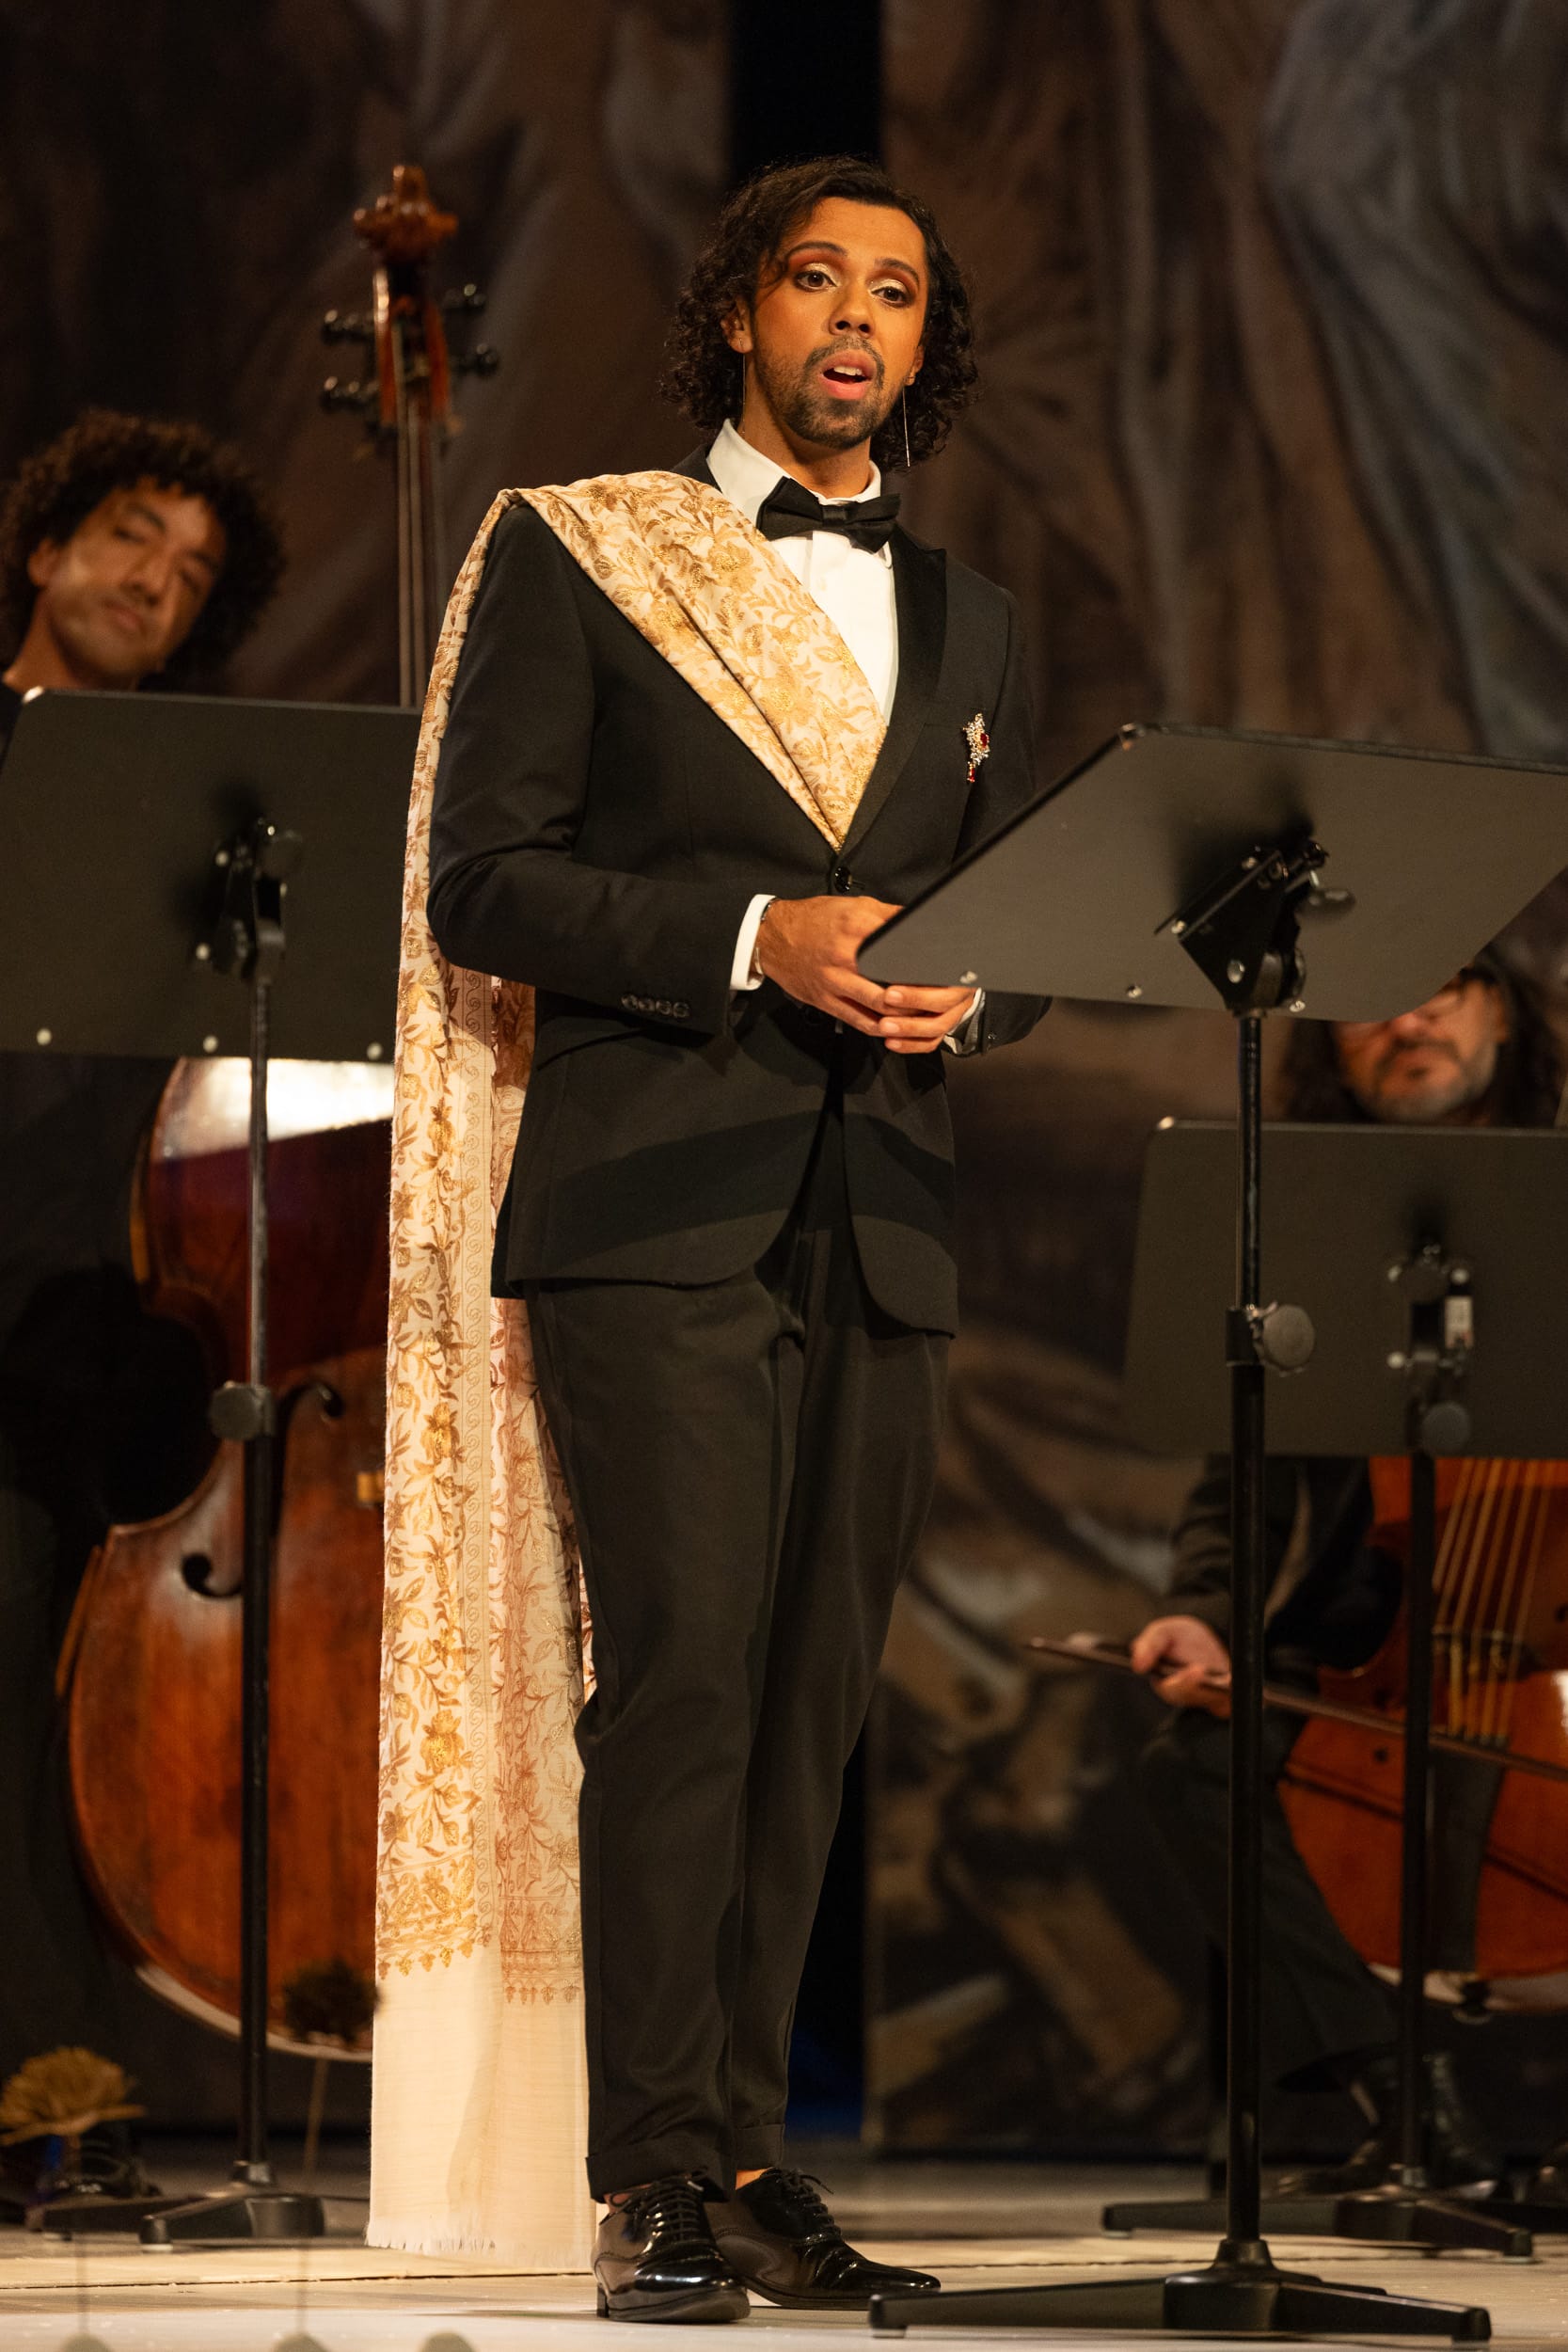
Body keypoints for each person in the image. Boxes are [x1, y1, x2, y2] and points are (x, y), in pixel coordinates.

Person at [392, 153, 1047, 2317]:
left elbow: (1005, 911)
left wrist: (986, 980)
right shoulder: (584, 554)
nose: (858, 321)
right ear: (741, 314)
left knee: (806, 1705)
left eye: (897, 295)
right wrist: (763, 932)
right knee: (679, 1680)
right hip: (656, 1185)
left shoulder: (977, 619)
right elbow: (485, 876)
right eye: (817, 280)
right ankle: (651, 2166)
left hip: (886, 1209)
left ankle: (748, 2141)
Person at [1132, 948, 1565, 2196]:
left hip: (1559, 1617)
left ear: (1505, 1015)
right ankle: (1403, 2094)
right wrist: (1206, 1611)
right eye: (1377, 1001)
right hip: (1383, 1612)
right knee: (1196, 1760)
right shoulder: (1308, 1224)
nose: (1411, 1018)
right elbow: (1243, 1469)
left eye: (1449, 989)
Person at [0, 409, 282, 2112]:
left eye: (187, 581)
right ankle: (54, 2085)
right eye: (127, 541)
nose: (150, 586)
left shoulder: (201, 817)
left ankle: (65, 2081)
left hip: (119, 1312)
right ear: (42, 549)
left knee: (74, 1722)